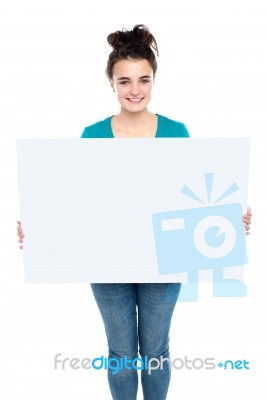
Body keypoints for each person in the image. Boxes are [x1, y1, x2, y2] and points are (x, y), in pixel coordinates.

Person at [17, 24, 252, 400]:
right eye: (124, 81)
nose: (135, 90)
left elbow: (197, 200)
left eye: (143, 79)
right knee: (122, 354)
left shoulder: (176, 132)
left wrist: (230, 220)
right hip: (107, 262)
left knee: (155, 352)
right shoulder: (92, 135)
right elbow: (73, 202)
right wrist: (41, 228)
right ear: (111, 83)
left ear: (154, 81)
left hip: (163, 264)